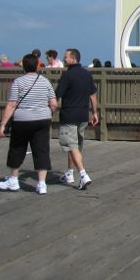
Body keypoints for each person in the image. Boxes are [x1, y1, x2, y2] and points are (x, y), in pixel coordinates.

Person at [0, 54, 58, 194]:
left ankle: (13, 180)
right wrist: (47, 112)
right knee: (41, 150)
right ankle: (42, 184)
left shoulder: (18, 82)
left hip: (22, 120)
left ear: (23, 66)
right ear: (37, 66)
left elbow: (12, 104)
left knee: (17, 148)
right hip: (42, 119)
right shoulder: (45, 81)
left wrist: (2, 124)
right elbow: (54, 104)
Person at [56, 48, 99, 190]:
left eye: (66, 57)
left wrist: (50, 110)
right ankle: (69, 173)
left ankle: (83, 175)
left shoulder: (66, 76)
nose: (64, 59)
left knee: (72, 146)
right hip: (82, 115)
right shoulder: (87, 75)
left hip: (69, 115)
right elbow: (93, 96)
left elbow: (58, 97)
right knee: (75, 146)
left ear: (73, 59)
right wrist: (95, 113)